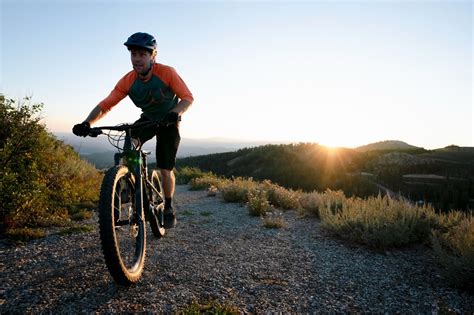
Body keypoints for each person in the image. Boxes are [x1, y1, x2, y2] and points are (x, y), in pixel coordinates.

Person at [72, 32, 194, 228]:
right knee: (130, 142)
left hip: (169, 120)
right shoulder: (128, 81)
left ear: (153, 55)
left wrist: (175, 113)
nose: (137, 59)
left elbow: (187, 97)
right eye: (133, 54)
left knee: (165, 167)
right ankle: (128, 184)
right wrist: (87, 123)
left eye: (142, 55)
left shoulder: (167, 72)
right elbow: (106, 105)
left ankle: (169, 205)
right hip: (148, 119)